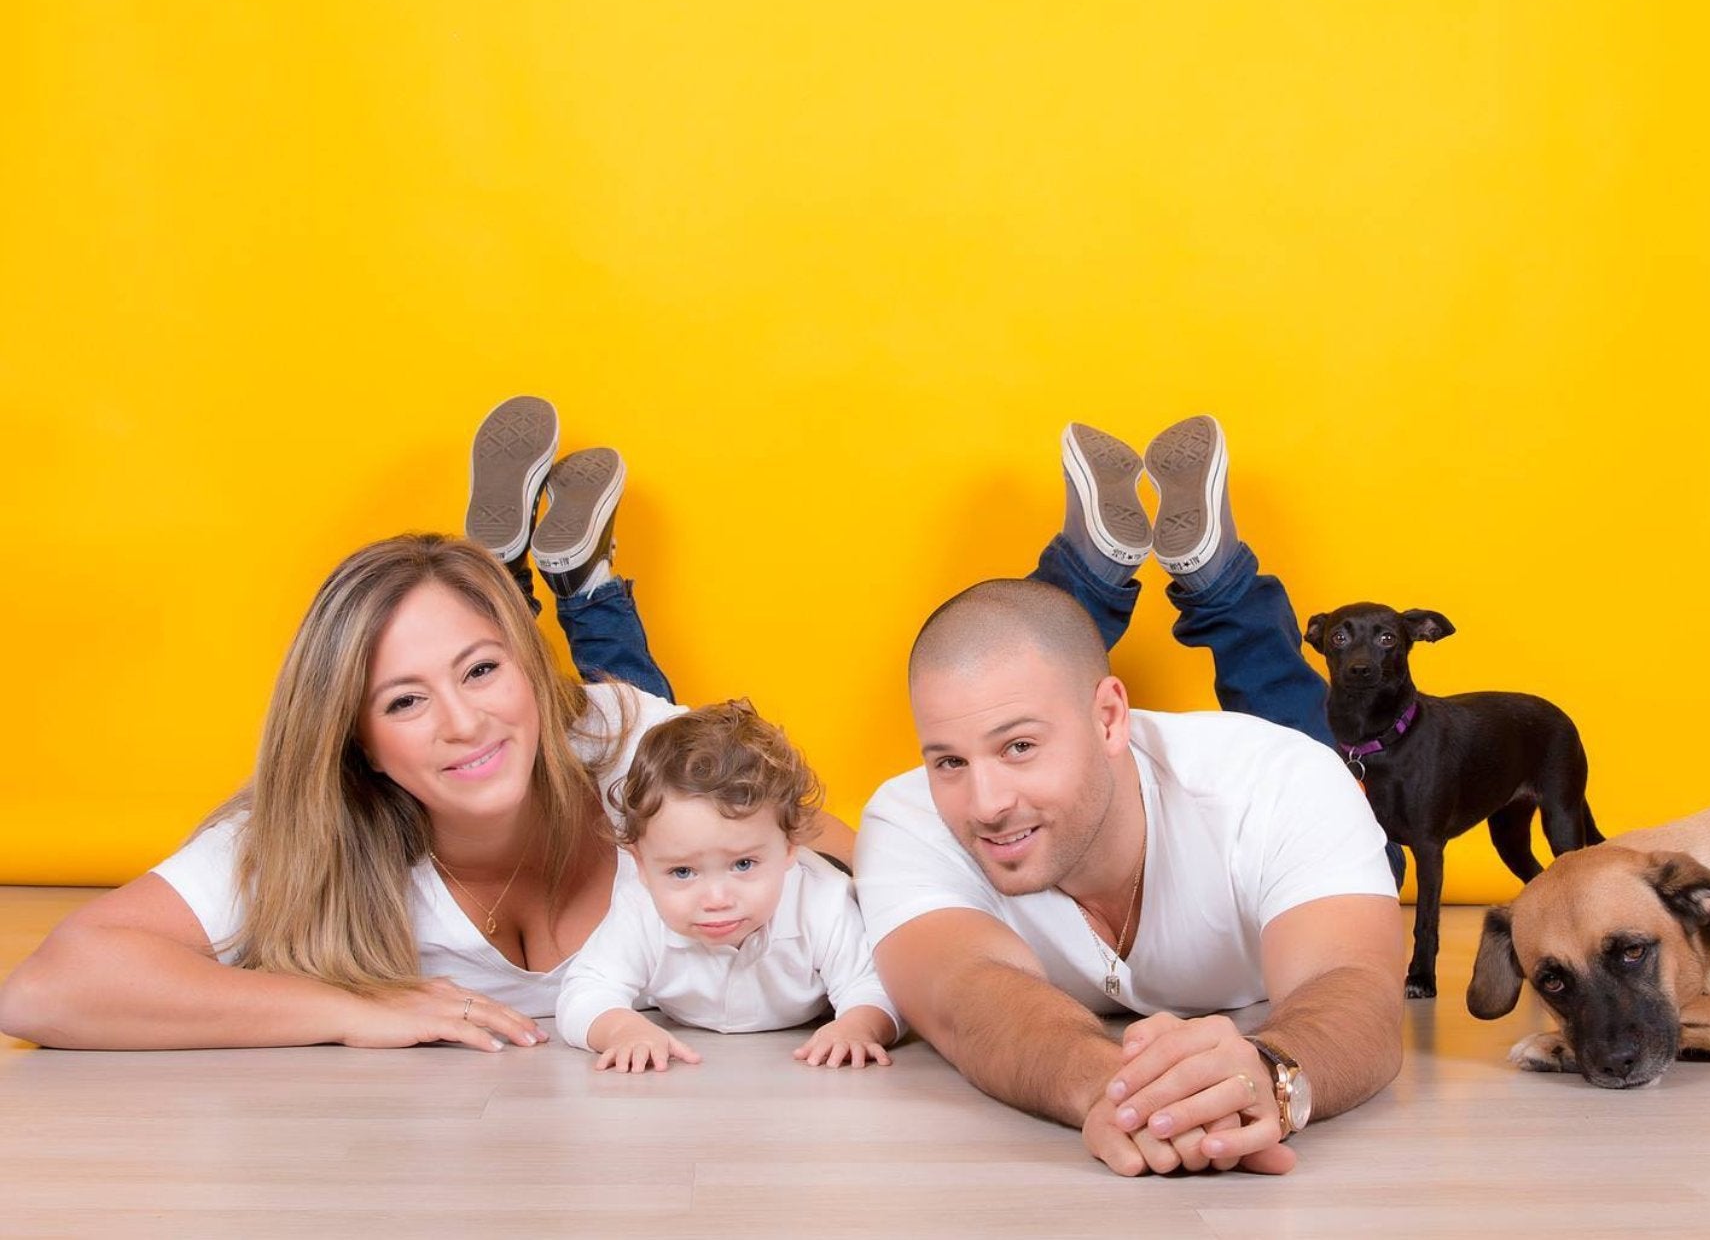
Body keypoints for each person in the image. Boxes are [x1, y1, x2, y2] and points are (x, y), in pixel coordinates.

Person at [0, 397, 844, 1050]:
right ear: (356, 739)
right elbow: (44, 988)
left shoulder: (618, 734)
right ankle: (561, 574)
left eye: (482, 669)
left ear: (530, 671)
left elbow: (826, 844)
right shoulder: (305, 830)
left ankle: (567, 579)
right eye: (405, 699)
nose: (463, 722)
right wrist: (347, 1009)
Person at [855, 416, 1407, 1177]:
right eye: (947, 760)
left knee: (1296, 723)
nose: (984, 802)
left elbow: (1355, 988)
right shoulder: (906, 818)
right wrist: (1112, 1089)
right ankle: (1101, 568)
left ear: (1112, 716)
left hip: (1264, 776)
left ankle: (1216, 579)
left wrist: (1272, 1072)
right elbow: (966, 997)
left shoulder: (1283, 781)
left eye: (1019, 747)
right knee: (1027, 658)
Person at [556, 700, 898, 1072]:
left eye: (743, 864)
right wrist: (621, 1029)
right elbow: (585, 990)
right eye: (683, 872)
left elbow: (876, 984)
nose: (716, 899)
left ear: (789, 847)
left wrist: (857, 1024)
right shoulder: (639, 908)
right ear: (640, 864)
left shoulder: (824, 902)